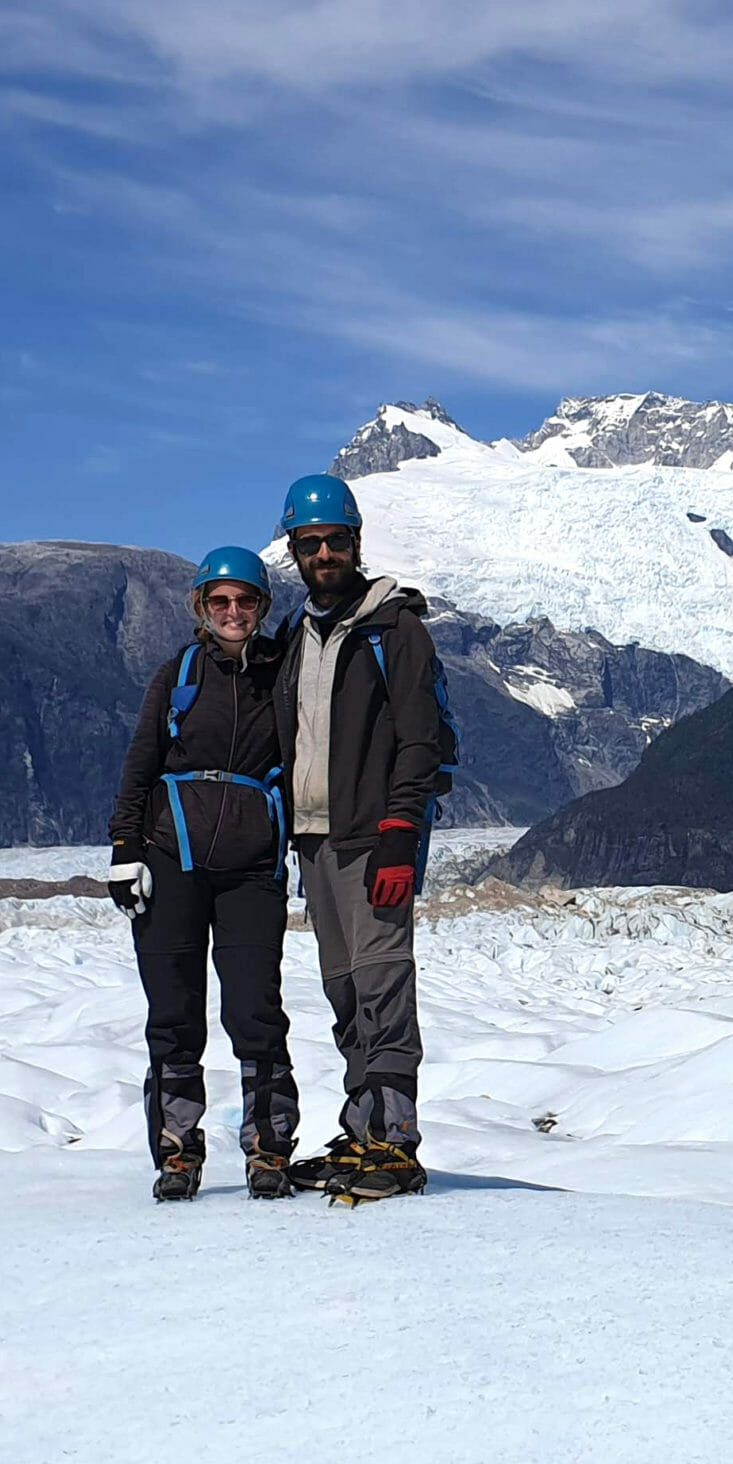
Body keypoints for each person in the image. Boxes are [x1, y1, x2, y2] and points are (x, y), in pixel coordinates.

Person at [271, 474, 460, 1205]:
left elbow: (419, 738)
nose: (324, 553)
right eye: (310, 543)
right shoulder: (298, 634)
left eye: (335, 541)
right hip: (315, 841)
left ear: (355, 543)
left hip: (373, 836)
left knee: (383, 985)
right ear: (294, 550)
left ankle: (396, 1141)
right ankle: (363, 1129)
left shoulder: (396, 628)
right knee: (346, 992)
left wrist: (399, 829)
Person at [108, 547, 299, 1202]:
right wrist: (124, 848)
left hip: (252, 869)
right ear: (201, 607)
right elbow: (140, 763)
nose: (233, 612)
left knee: (256, 1012)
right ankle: (178, 1155)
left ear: (263, 607)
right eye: (220, 601)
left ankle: (269, 1151)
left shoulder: (283, 674)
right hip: (170, 857)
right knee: (174, 1014)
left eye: (245, 601)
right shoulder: (178, 675)